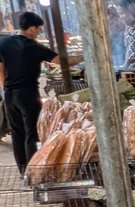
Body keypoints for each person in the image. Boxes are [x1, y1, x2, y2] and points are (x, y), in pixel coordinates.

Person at [0, 12, 83, 174]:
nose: (38, 32)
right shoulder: (33, 47)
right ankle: (34, 171)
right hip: (28, 94)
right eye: (38, 29)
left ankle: (23, 171)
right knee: (32, 132)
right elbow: (63, 61)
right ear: (31, 28)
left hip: (10, 94)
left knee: (17, 133)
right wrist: (84, 56)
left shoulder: (4, 43)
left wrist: (5, 87)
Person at [107, 3, 127, 68]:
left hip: (118, 40)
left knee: (119, 57)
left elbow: (122, 28)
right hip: (112, 41)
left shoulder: (118, 19)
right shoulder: (108, 19)